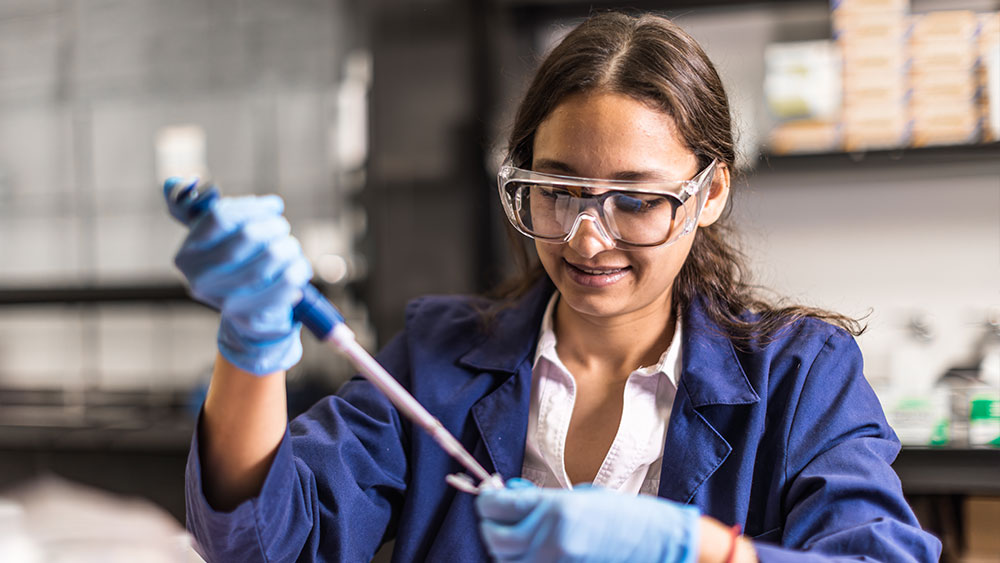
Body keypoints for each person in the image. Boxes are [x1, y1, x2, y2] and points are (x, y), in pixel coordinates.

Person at [173, 11, 942, 563]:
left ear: (709, 196)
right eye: (558, 189)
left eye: (637, 199)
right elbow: (265, 541)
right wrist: (251, 338)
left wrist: (698, 551)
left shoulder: (800, 374)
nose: (585, 236)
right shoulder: (441, 359)